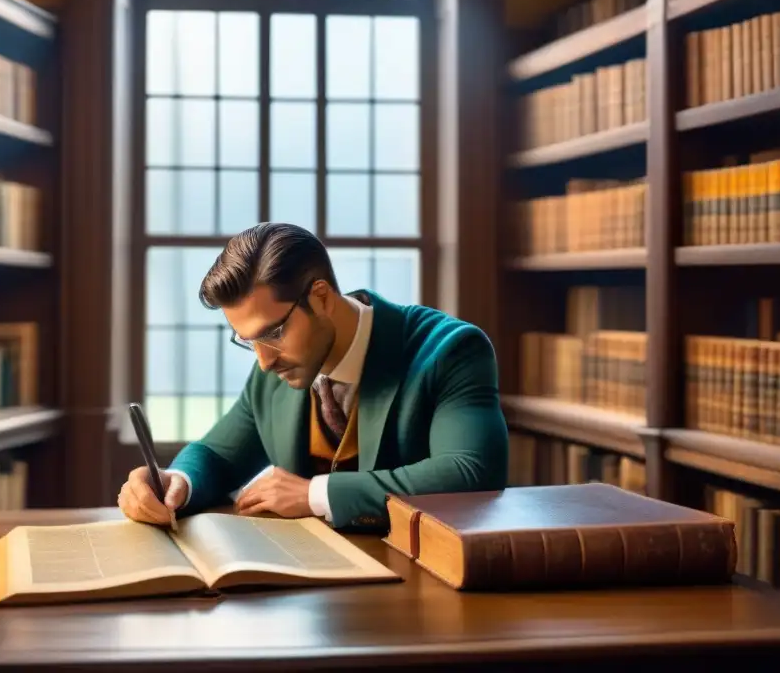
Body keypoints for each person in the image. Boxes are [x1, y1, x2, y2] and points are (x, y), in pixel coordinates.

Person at [118, 222, 508, 530]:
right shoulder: (273, 367)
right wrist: (177, 483)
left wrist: (315, 495)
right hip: (310, 594)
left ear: (321, 297)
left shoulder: (451, 349)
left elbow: (471, 471)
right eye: (246, 340)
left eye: (273, 333)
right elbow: (218, 454)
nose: (264, 361)